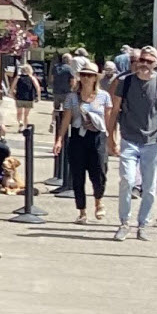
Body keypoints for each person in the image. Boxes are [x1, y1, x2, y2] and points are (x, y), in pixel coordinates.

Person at [111, 46, 157, 239]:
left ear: (155, 64)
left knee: (149, 187)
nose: (144, 64)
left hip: (152, 141)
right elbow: (115, 110)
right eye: (142, 60)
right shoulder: (126, 82)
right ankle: (124, 223)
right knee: (127, 181)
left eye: (149, 61)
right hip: (129, 138)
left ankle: (143, 224)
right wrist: (110, 136)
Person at [55, 63, 113, 220]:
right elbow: (66, 119)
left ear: (96, 77)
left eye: (90, 75)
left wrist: (112, 141)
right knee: (78, 175)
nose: (86, 78)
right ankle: (82, 210)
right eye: (83, 75)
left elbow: (108, 121)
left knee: (99, 172)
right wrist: (59, 139)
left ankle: (99, 202)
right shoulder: (72, 97)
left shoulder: (104, 96)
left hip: (98, 137)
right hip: (78, 137)